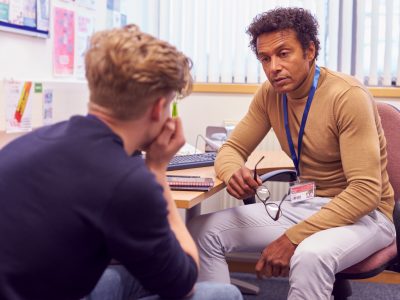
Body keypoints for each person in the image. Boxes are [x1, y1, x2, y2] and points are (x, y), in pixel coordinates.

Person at [0, 25, 242, 300]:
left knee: (132, 277)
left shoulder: (32, 141)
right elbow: (182, 283)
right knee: (222, 294)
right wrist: (157, 170)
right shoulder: (128, 183)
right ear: (157, 108)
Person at [188, 7, 396, 299]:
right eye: (265, 58)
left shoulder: (347, 96)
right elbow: (232, 148)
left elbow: (365, 192)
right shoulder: (270, 94)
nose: (273, 67)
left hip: (366, 215)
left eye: (284, 53)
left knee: (309, 255)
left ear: (310, 51)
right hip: (309, 203)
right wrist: (232, 170)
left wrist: (291, 240)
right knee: (203, 230)